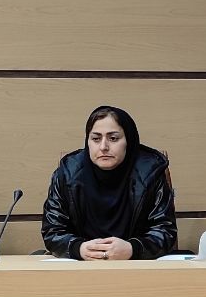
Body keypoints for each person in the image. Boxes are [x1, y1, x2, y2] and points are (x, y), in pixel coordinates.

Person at [42, 105, 177, 260]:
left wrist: (132, 249)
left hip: (136, 265)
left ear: (129, 140)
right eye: (96, 139)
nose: (103, 147)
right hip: (81, 266)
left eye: (113, 138)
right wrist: (78, 248)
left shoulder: (151, 172)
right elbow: (53, 231)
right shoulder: (67, 174)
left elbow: (165, 231)